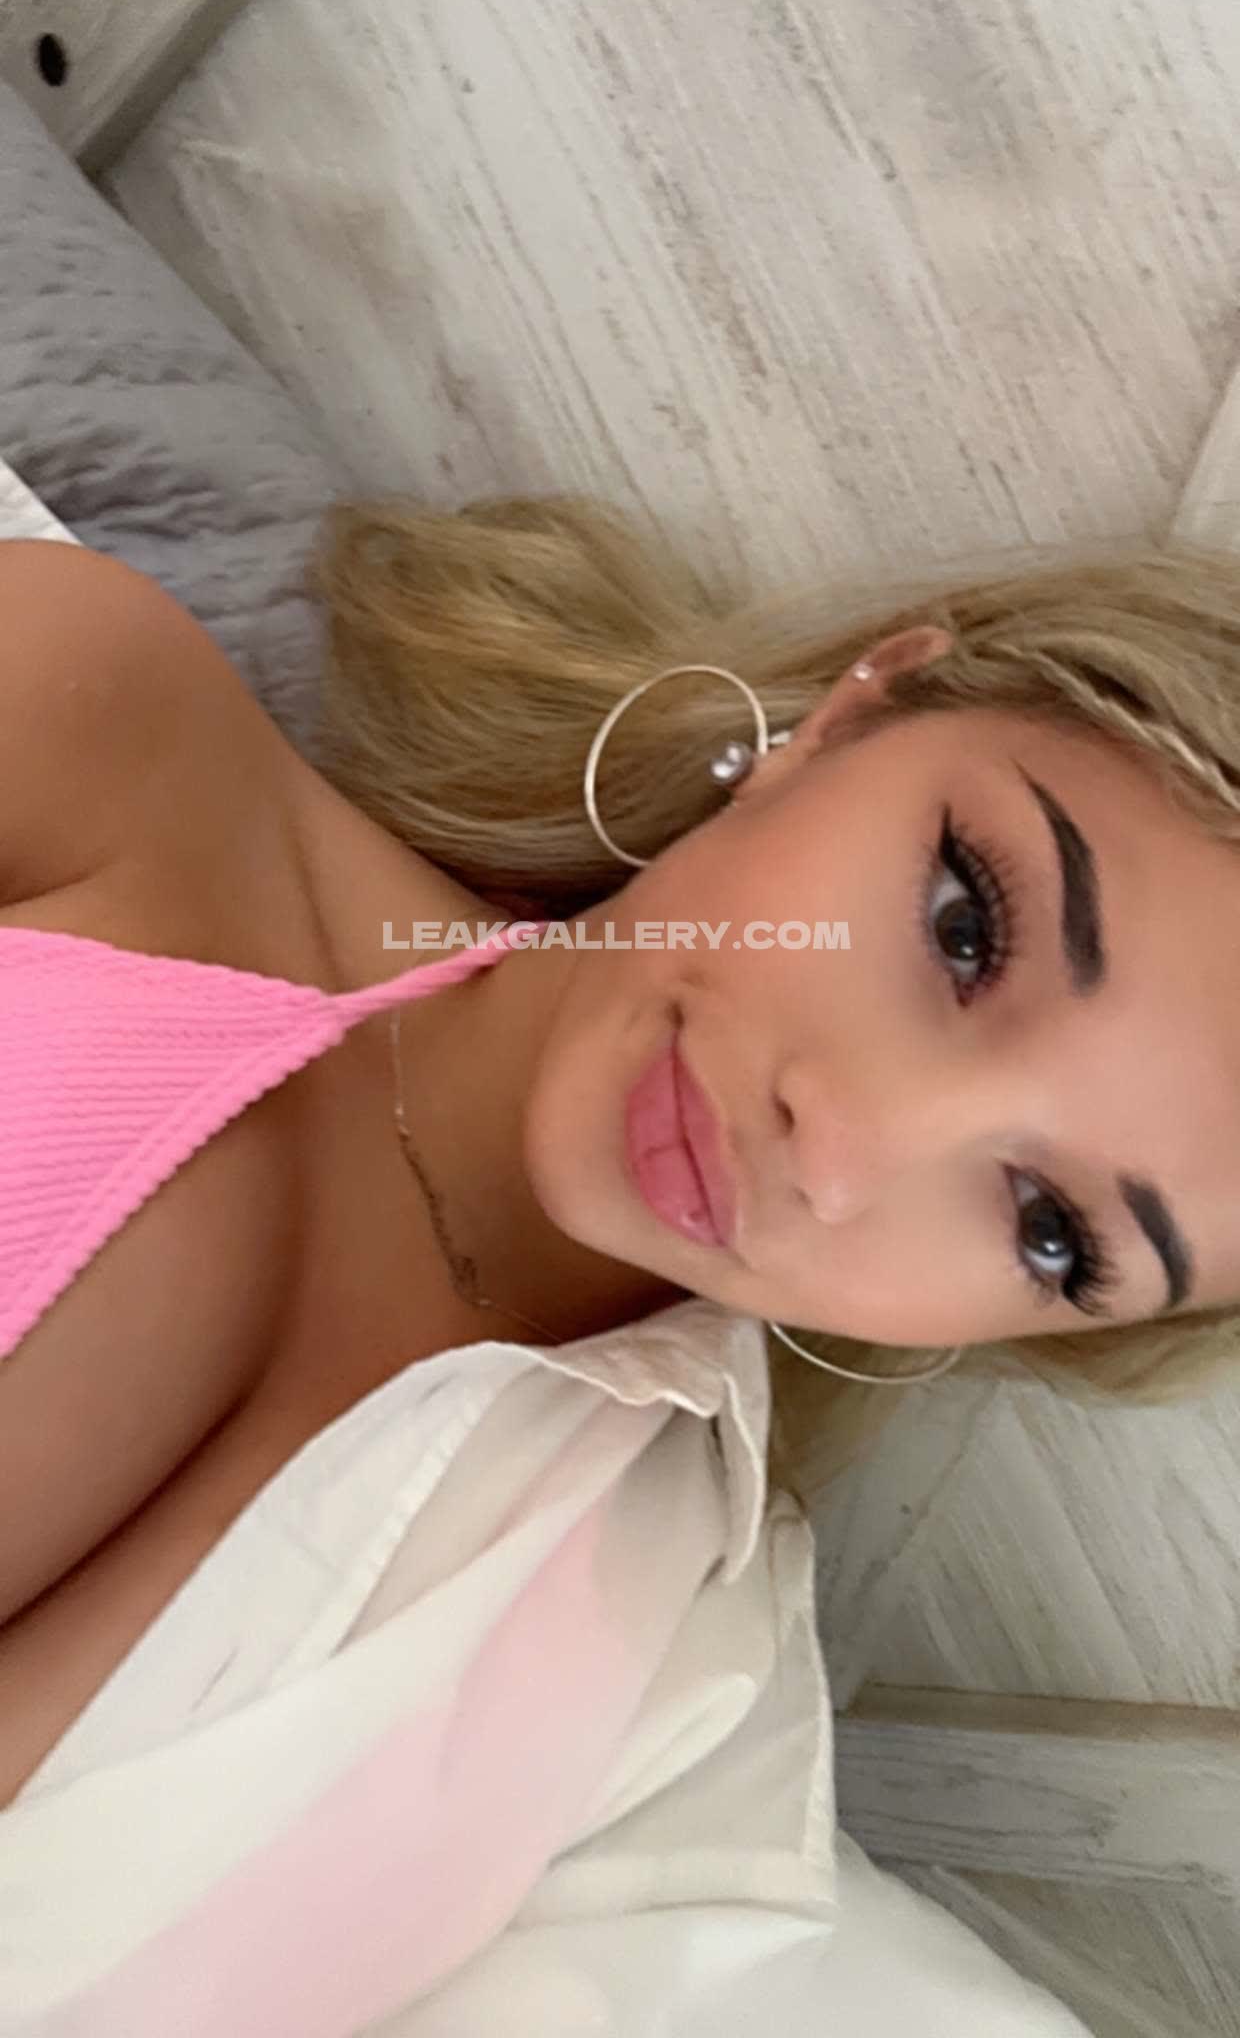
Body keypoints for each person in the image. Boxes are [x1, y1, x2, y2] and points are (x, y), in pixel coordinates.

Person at [3, 488, 1237, 2032]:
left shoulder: (666, 1686)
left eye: (1052, 1231)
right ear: (855, 714)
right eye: (964, 923)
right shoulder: (104, 734)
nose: (842, 1152)